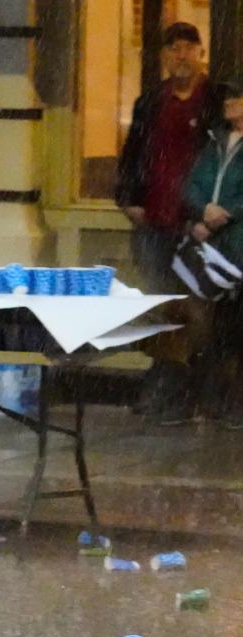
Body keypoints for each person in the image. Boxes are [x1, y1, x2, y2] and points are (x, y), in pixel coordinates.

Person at [117, 22, 226, 425]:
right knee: (159, 305)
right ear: (164, 56)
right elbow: (131, 155)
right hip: (155, 224)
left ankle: (190, 387)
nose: (180, 56)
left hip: (198, 226)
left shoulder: (215, 102)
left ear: (201, 54)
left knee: (197, 310)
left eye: (188, 48)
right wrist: (128, 199)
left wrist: (210, 212)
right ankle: (167, 386)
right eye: (173, 49)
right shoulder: (150, 102)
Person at [185, 77, 243, 428]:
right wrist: (202, 209)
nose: (228, 103)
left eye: (236, 97)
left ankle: (235, 404)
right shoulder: (215, 141)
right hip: (214, 248)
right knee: (212, 327)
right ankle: (212, 400)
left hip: (236, 243)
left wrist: (226, 213)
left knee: (237, 328)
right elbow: (192, 182)